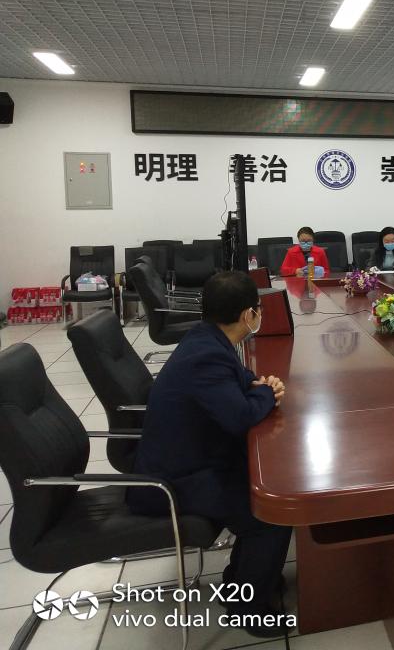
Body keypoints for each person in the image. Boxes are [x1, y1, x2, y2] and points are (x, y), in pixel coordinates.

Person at [128, 271, 292, 636]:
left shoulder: (205, 338)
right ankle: (248, 609)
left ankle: (242, 581)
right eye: (259, 309)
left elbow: (238, 383)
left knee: (262, 489)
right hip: (174, 481)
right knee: (271, 514)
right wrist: (265, 394)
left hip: (191, 459)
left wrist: (259, 387)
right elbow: (239, 416)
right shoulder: (207, 356)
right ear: (249, 315)